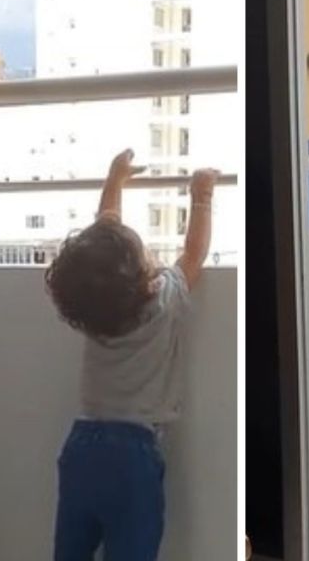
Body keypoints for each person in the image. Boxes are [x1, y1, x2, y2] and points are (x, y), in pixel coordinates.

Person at [46, 148, 217, 559]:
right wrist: (202, 195)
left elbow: (102, 239)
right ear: (144, 276)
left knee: (70, 552)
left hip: (81, 447)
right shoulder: (162, 301)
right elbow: (194, 254)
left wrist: (114, 180)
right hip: (133, 455)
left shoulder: (92, 310)